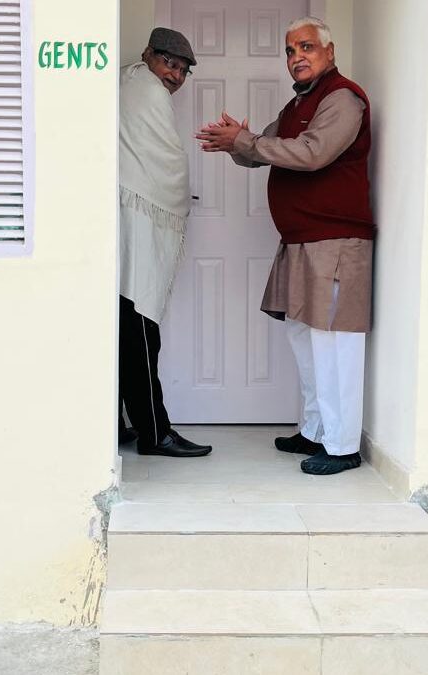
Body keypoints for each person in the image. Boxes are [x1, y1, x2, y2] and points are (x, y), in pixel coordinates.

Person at [196, 17, 373, 475]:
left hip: (335, 242)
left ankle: (342, 446)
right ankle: (315, 431)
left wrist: (248, 141)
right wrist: (237, 143)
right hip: (299, 241)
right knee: (305, 339)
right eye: (291, 49)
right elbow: (262, 148)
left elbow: (313, 153)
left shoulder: (343, 99)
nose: (297, 56)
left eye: (307, 47)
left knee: (335, 345)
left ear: (329, 53)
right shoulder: (300, 103)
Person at [118, 28, 211, 457]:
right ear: (148, 55)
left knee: (122, 329)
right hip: (138, 229)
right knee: (141, 330)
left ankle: (116, 426)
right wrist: (179, 192)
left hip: (122, 224)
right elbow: (165, 164)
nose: (175, 76)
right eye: (169, 63)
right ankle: (155, 433)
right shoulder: (149, 92)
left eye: (182, 70)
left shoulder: (127, 79)